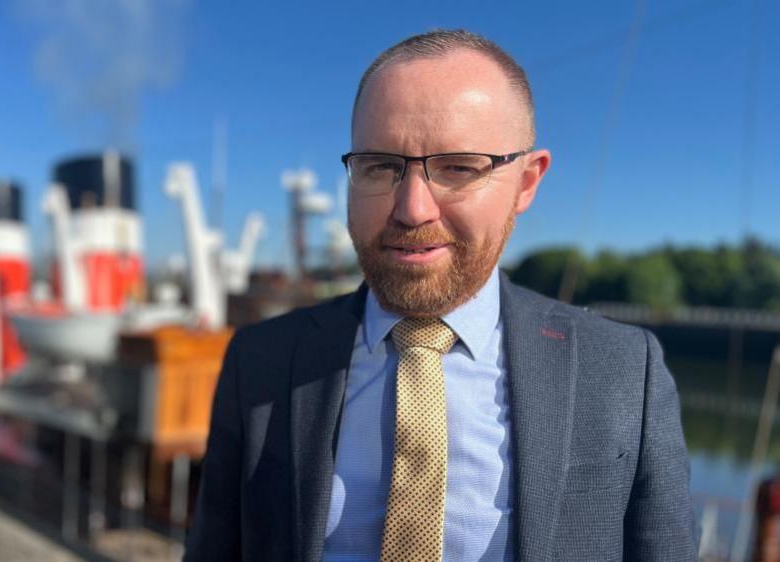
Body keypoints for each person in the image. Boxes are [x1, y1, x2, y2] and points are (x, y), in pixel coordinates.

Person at [185, 29, 696, 561]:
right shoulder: (261, 361)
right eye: (380, 166)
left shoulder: (621, 372)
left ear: (526, 182)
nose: (413, 208)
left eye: (457, 167)